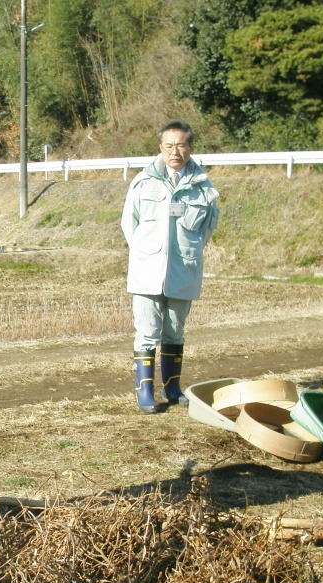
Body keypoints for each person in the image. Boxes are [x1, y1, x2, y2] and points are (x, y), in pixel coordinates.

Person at [120, 121, 219, 414]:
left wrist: (185, 253)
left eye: (181, 145)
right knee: (147, 331)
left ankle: (173, 388)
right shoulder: (142, 182)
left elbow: (207, 229)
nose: (175, 151)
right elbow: (130, 224)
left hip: (183, 270)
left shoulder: (203, 187)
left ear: (190, 147)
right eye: (169, 145)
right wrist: (146, 252)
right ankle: (146, 393)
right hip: (147, 270)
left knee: (175, 331)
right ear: (161, 147)